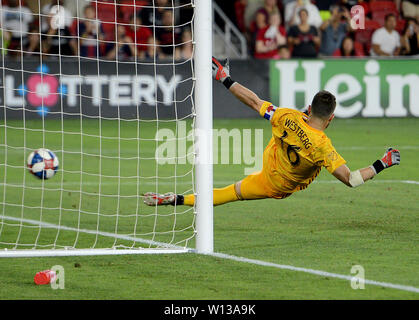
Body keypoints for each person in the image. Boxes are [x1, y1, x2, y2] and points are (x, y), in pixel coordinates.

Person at [144, 57, 401, 207]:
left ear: (310, 108)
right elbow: (353, 179)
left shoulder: (287, 115)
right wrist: (383, 163)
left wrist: (224, 79)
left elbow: (254, 102)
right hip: (277, 185)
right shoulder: (324, 148)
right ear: (331, 118)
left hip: (269, 171)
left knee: (229, 192)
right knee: (232, 193)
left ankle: (177, 199)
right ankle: (176, 199)